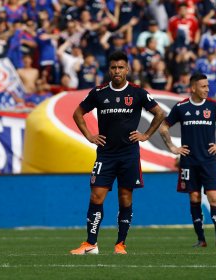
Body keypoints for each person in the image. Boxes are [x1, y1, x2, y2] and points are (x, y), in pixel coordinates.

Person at [70, 50, 165, 255]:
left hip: (129, 154)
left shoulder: (138, 93)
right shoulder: (99, 92)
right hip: (106, 154)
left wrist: (146, 135)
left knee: (125, 198)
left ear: (127, 69)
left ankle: (120, 244)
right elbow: (77, 113)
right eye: (113, 67)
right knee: (96, 196)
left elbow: (160, 113)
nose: (117, 71)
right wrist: (89, 135)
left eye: (121, 67)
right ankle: (91, 244)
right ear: (109, 69)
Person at [159, 73, 216, 247]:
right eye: (203, 86)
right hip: (188, 162)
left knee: (213, 198)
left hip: (208, 161)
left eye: (207, 86)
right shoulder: (181, 107)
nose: (207, 89)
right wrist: (173, 148)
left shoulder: (213, 106)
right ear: (193, 88)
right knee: (194, 198)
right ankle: (201, 239)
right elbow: (164, 127)